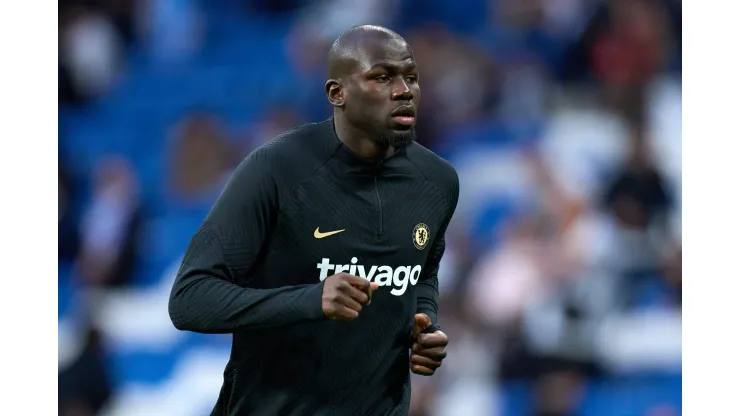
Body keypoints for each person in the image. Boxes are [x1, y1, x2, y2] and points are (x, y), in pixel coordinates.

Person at [168, 24, 459, 415]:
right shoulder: (277, 170)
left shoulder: (438, 182)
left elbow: (422, 274)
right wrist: (311, 298)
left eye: (411, 77)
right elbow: (189, 299)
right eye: (382, 77)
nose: (404, 91)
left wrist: (425, 323)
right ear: (337, 93)